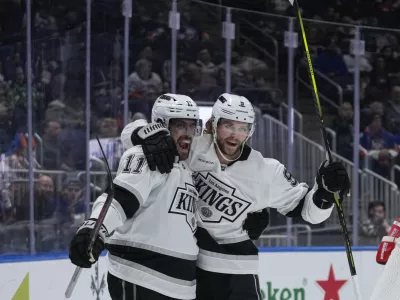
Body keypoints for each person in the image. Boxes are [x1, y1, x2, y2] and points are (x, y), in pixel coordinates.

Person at [127, 93, 351, 300]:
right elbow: (133, 134)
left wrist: (324, 194)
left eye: (243, 128)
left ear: (250, 131)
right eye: (228, 125)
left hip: (237, 272)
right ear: (213, 125)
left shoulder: (267, 171)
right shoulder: (193, 147)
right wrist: (143, 134)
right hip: (191, 268)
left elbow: (309, 213)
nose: (235, 135)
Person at [68, 94, 201, 300]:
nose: (188, 133)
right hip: (142, 277)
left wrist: (139, 130)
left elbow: (132, 129)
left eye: (192, 126)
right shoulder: (147, 155)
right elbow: (122, 197)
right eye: (180, 125)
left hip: (181, 286)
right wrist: (95, 229)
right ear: (161, 125)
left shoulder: (193, 163)